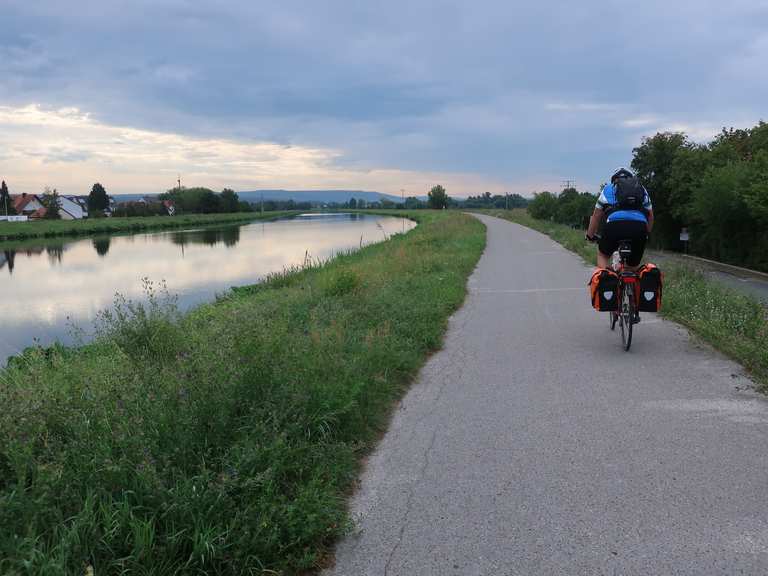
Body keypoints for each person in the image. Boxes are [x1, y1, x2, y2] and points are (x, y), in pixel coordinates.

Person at [585, 167, 653, 271]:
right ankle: (631, 279)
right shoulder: (641, 189)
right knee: (632, 266)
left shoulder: (608, 189)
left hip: (614, 227)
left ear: (614, 179)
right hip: (639, 228)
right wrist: (646, 234)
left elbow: (596, 216)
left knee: (603, 255)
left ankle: (605, 278)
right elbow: (651, 216)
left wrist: (590, 236)